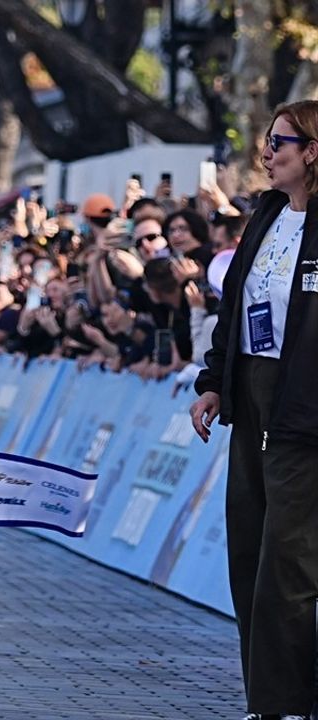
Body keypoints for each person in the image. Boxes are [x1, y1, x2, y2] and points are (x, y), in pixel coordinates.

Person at [189, 100, 318, 720]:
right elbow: (234, 304)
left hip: (307, 410)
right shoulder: (266, 212)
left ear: (312, 151)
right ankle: (267, 699)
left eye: (279, 142)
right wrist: (214, 382)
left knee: (286, 562)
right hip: (251, 395)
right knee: (247, 551)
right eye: (267, 142)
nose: (266, 153)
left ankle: (286, 704)